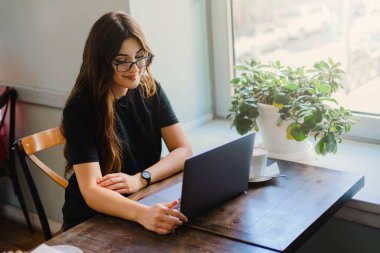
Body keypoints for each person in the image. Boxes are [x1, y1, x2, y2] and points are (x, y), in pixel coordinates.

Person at [60, 11, 192, 235]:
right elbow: (91, 191)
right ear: (101, 63)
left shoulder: (150, 89)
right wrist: (142, 213)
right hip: (93, 219)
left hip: (142, 198)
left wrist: (141, 179)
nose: (135, 69)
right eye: (122, 62)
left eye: (140, 56)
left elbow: (184, 150)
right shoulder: (81, 107)